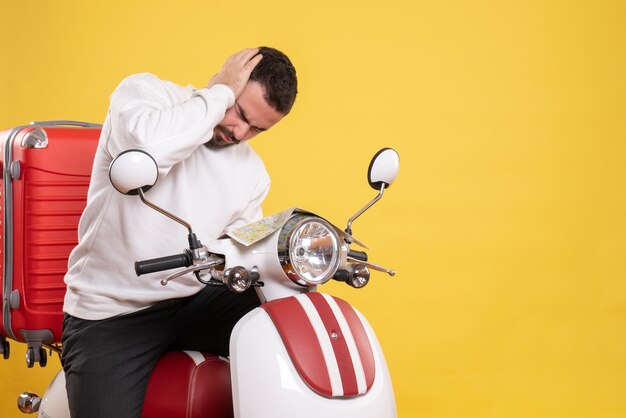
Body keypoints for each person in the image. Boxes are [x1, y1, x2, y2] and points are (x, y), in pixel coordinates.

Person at [61, 47, 298, 418]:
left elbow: (239, 246)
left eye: (257, 129)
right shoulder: (145, 95)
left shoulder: (252, 171)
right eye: (239, 111)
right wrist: (218, 94)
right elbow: (146, 151)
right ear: (228, 78)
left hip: (194, 303)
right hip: (112, 313)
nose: (239, 132)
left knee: (291, 321)